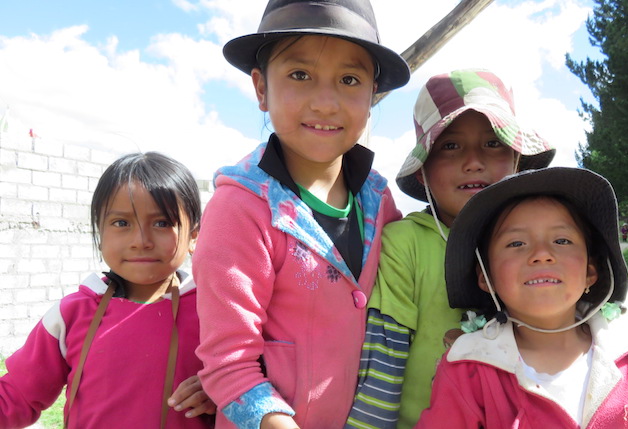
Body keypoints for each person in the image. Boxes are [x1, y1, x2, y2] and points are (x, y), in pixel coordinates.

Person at [191, 1, 410, 428]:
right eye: (299, 75)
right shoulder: (242, 209)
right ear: (260, 89)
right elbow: (227, 363)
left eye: (349, 79)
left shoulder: (380, 201)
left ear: (372, 97)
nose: (326, 102)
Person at [346, 69, 555, 429]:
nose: (473, 161)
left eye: (493, 143)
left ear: (516, 160)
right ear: (423, 171)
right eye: (451, 145)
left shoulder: (539, 245)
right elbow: (382, 365)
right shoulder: (405, 244)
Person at [415, 167, 628, 428]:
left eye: (561, 241)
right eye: (516, 243)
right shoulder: (469, 369)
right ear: (486, 277)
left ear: (590, 272)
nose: (542, 254)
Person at [0, 152, 216, 428]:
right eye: (121, 223)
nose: (141, 241)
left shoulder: (213, 312)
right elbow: (16, 396)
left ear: (194, 236)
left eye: (162, 223)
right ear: (100, 233)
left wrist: (223, 389)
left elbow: (259, 379)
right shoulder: (71, 315)